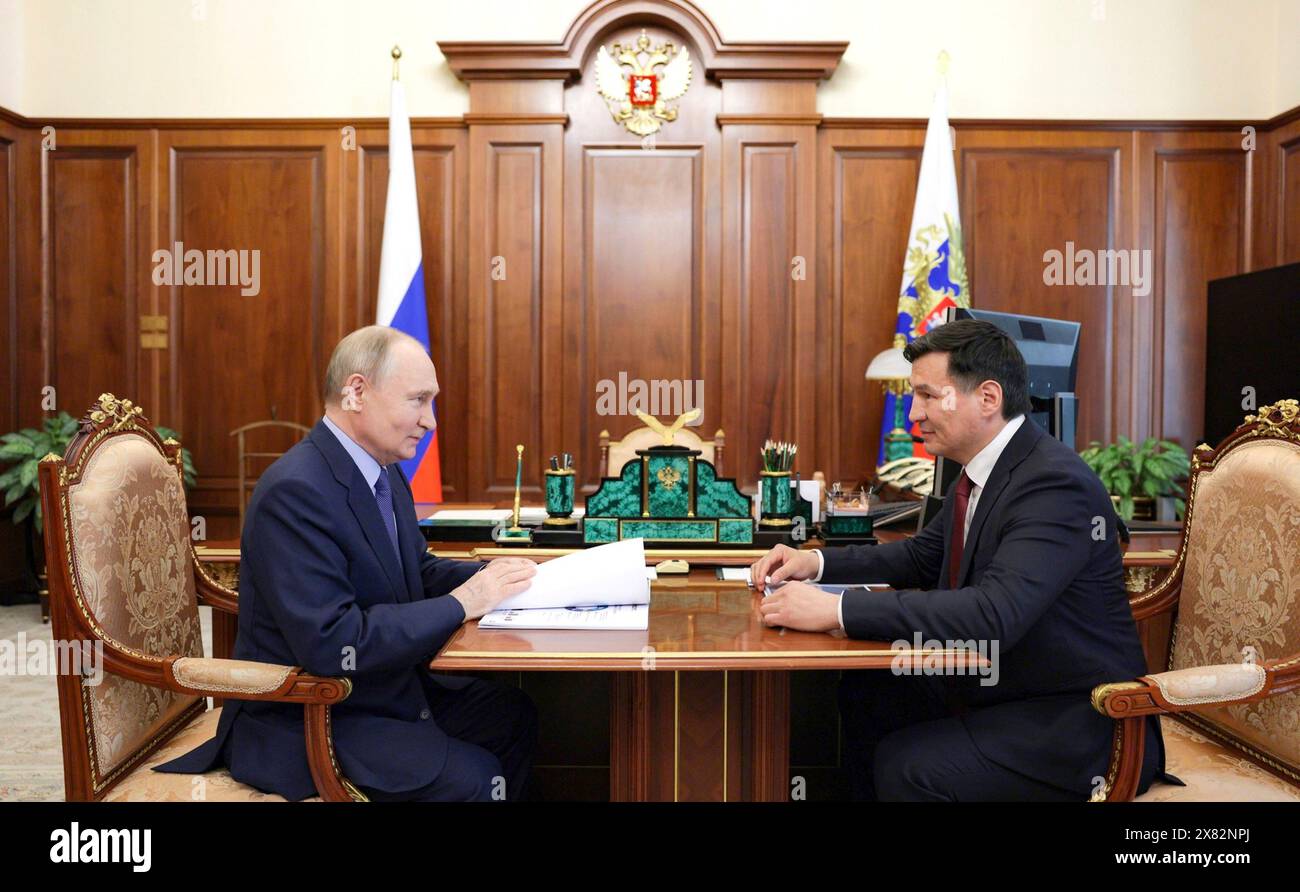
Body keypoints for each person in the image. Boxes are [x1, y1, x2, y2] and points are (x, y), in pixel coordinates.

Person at [750, 319, 1167, 801]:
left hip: (1082, 723)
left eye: (928, 396)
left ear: (988, 399)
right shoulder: (981, 471)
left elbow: (993, 615)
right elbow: (923, 557)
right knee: (865, 694)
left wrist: (838, 611)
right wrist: (815, 564)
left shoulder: (1053, 484)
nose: (914, 414)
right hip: (1002, 686)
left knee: (907, 767)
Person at [157, 325, 538, 801]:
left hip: (379, 691)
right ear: (356, 392)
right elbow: (334, 642)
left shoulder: (383, 471)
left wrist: (508, 580)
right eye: (418, 400)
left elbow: (414, 571)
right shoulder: (294, 492)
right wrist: (464, 603)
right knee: (476, 778)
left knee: (513, 714)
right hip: (309, 715)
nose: (431, 421)